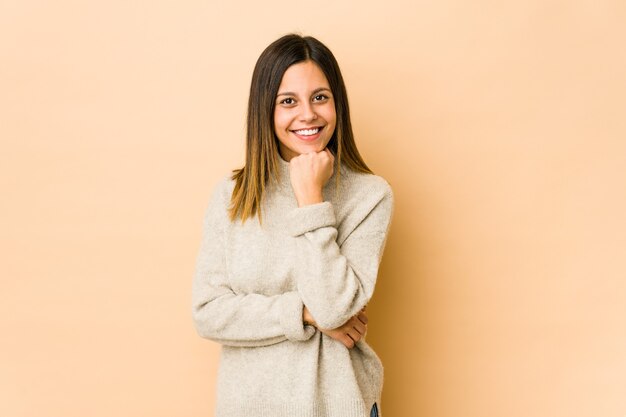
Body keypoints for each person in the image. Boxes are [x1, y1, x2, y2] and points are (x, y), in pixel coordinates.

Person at [191, 33, 394, 417]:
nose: (308, 114)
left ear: (338, 104)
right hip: (249, 407)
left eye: (320, 97)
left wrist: (310, 198)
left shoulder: (370, 196)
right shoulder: (232, 195)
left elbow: (334, 309)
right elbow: (208, 312)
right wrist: (302, 313)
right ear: (265, 110)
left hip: (338, 404)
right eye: (288, 101)